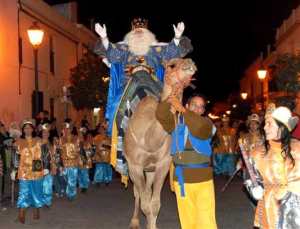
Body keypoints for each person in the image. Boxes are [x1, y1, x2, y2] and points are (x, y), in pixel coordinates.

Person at [94, 18, 193, 182]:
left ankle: (177, 144)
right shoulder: (124, 49)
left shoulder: (155, 50)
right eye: (136, 31)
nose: (139, 34)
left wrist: (176, 37)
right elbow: (112, 54)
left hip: (152, 82)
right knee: (118, 108)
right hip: (131, 82)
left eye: (142, 31)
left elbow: (171, 53)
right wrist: (104, 38)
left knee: (170, 106)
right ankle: (122, 144)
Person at [156, 95, 218, 229]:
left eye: (201, 106)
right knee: (187, 221)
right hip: (182, 180)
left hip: (203, 181)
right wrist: (168, 100)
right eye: (194, 105)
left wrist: (183, 110)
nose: (197, 108)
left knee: (206, 221)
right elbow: (161, 115)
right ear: (188, 105)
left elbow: (198, 128)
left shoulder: (207, 124)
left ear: (203, 111)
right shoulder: (176, 123)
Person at [247, 104, 299, 228]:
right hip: (268, 205)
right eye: (265, 123)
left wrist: (285, 193)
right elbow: (254, 178)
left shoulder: (296, 149)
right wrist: (254, 189)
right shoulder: (258, 152)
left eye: (269, 124)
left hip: (293, 207)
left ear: (282, 127)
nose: (264, 127)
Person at [11, 119, 45, 223]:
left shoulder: (38, 140)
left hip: (37, 167)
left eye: (30, 127)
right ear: (23, 130)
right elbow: (15, 157)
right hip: (24, 169)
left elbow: (45, 153)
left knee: (37, 190)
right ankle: (21, 214)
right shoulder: (18, 142)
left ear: (33, 129)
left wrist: (47, 166)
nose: (28, 130)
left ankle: (36, 210)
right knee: (23, 192)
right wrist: (14, 170)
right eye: (25, 128)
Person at [60, 122, 80, 201]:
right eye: (65, 129)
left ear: (71, 129)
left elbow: (78, 150)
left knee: (72, 179)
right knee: (66, 178)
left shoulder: (75, 138)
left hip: (73, 162)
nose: (66, 130)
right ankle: (70, 191)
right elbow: (59, 150)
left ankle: (71, 194)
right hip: (64, 162)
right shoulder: (61, 139)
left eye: (68, 129)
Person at [40, 124, 55, 207]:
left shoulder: (51, 144)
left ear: (49, 134)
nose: (45, 134)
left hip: (48, 167)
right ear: (41, 133)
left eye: (47, 133)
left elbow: (53, 157)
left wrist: (54, 167)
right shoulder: (38, 142)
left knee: (48, 184)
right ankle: (40, 200)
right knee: (40, 184)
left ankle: (47, 201)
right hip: (39, 167)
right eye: (44, 132)